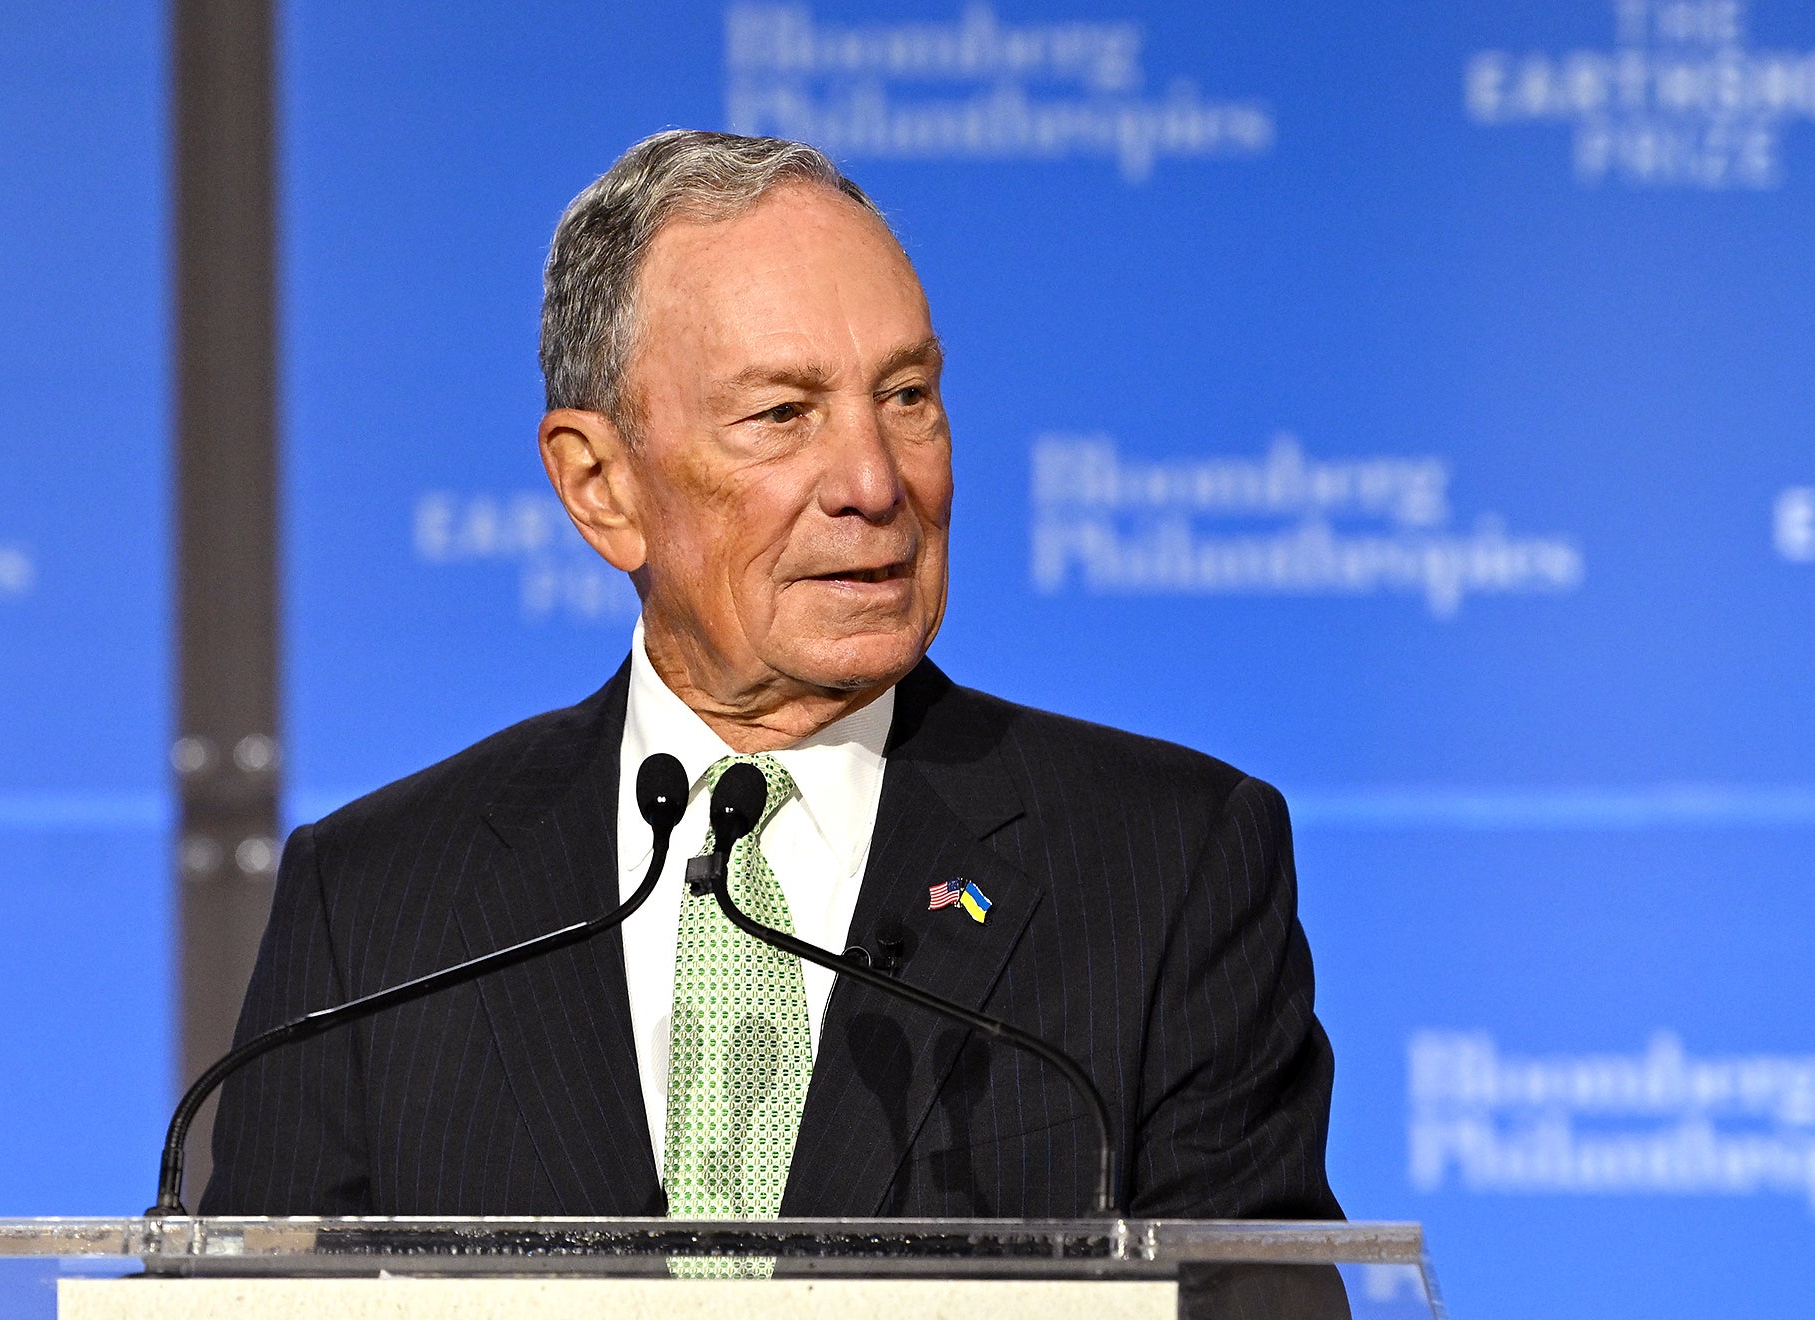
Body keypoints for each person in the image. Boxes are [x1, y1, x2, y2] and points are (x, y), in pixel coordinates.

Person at [203, 131, 1342, 1236]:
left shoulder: (1168, 866)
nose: (871, 480)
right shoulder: (377, 905)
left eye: (905, 396)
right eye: (783, 414)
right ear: (599, 485)